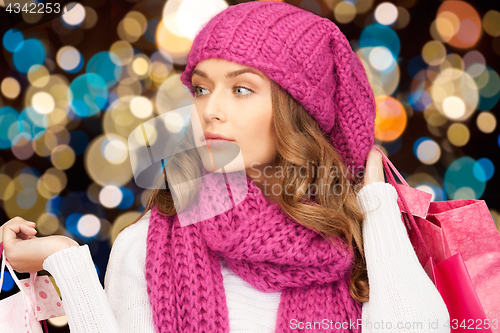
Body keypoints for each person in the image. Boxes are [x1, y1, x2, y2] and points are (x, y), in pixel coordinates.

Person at [0, 1, 451, 332]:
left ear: (300, 111)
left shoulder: (361, 242)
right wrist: (66, 263)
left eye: (241, 90)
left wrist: (373, 195)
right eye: (200, 89)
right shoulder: (146, 243)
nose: (210, 110)